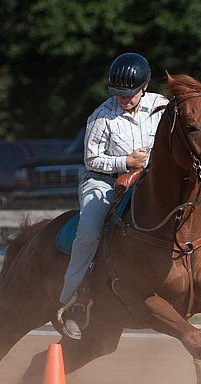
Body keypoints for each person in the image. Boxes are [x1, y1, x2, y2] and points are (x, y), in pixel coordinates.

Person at [59, 52, 168, 339]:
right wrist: (125, 163)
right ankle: (75, 301)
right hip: (103, 182)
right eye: (118, 93)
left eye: (129, 93)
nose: (123, 98)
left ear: (144, 87)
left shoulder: (163, 107)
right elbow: (91, 160)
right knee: (90, 231)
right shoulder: (101, 116)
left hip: (150, 180)